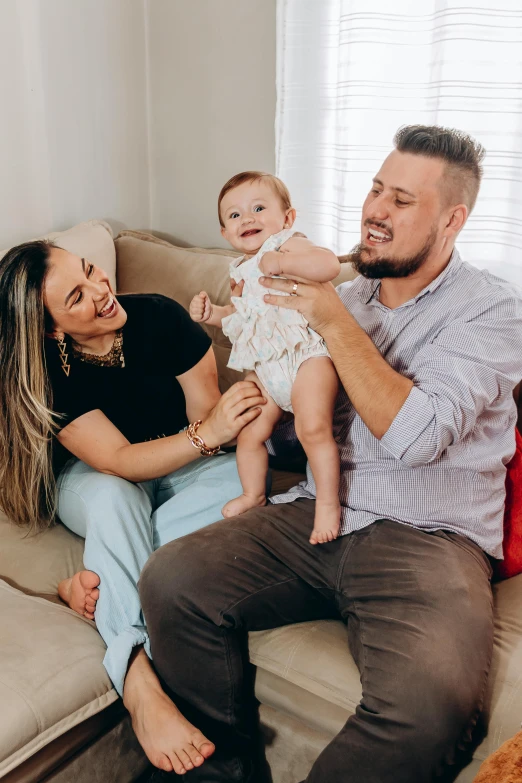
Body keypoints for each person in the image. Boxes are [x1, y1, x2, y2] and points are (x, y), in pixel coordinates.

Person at [138, 125, 522, 782]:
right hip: (318, 507)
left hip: (429, 539)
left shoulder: (490, 310)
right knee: (171, 581)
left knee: (430, 709)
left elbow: (418, 437)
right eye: (375, 189)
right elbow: (294, 396)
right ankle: (220, 773)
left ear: (452, 219)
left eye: (401, 199)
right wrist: (259, 405)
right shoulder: (346, 291)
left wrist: (332, 320)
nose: (375, 209)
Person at [0, 241, 267, 776]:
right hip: (95, 479)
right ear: (52, 329)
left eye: (92, 271)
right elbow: (118, 460)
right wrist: (209, 432)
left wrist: (215, 430)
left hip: (185, 463)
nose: (101, 291)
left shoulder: (160, 317)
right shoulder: (47, 367)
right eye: (77, 296)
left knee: (251, 491)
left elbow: (207, 427)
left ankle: (98, 585)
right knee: (119, 498)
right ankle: (137, 679)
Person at [189, 172, 341, 544]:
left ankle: (327, 504)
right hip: (267, 367)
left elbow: (330, 266)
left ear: (287, 218)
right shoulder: (239, 271)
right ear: (226, 233)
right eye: (236, 215)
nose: (249, 219)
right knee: (250, 432)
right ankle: (253, 493)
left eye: (259, 208)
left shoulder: (289, 244)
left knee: (313, 429)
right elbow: (241, 317)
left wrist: (282, 261)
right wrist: (213, 314)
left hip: (306, 355)